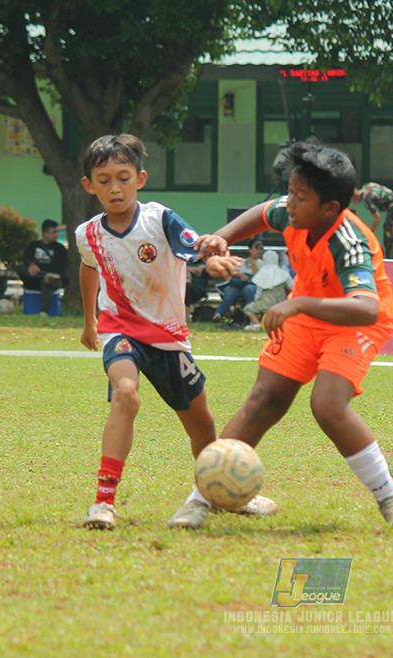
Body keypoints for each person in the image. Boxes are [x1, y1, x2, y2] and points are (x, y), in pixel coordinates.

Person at [188, 140, 393, 531]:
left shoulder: (349, 240)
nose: (289, 203)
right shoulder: (295, 213)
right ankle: (199, 501)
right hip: (305, 313)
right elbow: (263, 213)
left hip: (354, 322)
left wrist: (298, 305)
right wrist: (223, 236)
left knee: (328, 405)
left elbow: (366, 308)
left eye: (299, 197)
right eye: (290, 192)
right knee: (264, 400)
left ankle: (391, 498)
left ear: (330, 208)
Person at [73, 133, 262, 531]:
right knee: (125, 394)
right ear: (89, 186)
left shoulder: (159, 218)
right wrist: (90, 321)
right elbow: (89, 267)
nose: (114, 187)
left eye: (123, 177)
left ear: (140, 179)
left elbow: (197, 249)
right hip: (119, 331)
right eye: (103, 180)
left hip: (168, 338)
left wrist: (213, 262)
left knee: (202, 425)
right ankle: (103, 502)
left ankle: (225, 489)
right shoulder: (86, 233)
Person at [17, 218, 69, 315]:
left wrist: (57, 276)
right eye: (54, 232)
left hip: (54, 279)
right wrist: (31, 265)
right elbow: (26, 259)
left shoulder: (60, 249)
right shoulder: (33, 245)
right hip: (34, 276)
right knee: (20, 268)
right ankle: (45, 275)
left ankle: (44, 311)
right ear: (45, 233)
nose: (57, 234)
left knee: (47, 282)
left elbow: (63, 267)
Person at [351, 182, 393, 259]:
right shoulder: (367, 186)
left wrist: (370, 233)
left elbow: (377, 218)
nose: (353, 203)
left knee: (388, 236)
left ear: (357, 196)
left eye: (352, 200)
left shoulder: (366, 198)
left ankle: (390, 261)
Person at [211, 238, 263, 324]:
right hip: (237, 286)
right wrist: (240, 275)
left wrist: (253, 264)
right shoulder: (241, 261)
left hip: (252, 287)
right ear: (250, 250)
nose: (259, 251)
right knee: (230, 291)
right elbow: (233, 272)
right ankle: (218, 314)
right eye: (257, 248)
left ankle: (252, 318)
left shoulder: (262, 263)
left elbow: (257, 278)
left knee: (249, 289)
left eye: (261, 249)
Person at [242, 249, 293, 331]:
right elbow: (292, 286)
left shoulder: (261, 275)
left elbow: (258, 294)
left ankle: (257, 324)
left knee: (248, 308)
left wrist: (256, 302)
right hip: (281, 303)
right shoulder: (284, 273)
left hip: (266, 304)